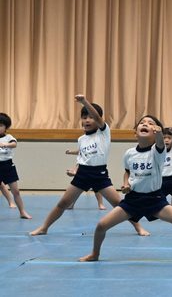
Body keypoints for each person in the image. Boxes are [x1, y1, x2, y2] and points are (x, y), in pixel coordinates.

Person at [79, 115, 172, 264]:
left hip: (155, 200)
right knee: (101, 226)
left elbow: (161, 144)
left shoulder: (157, 151)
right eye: (142, 123)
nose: (146, 124)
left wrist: (160, 133)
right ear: (135, 132)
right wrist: (126, 184)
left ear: (156, 132)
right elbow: (128, 172)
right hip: (133, 201)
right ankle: (95, 254)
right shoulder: (129, 153)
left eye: (151, 124)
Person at [30, 95, 148, 236]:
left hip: (99, 175)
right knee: (63, 203)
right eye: (84, 117)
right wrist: (75, 169)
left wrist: (84, 102)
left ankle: (138, 227)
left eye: (90, 117)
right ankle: (44, 227)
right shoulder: (81, 139)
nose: (87, 120)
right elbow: (82, 158)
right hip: (83, 174)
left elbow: (98, 119)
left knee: (119, 203)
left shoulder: (104, 133)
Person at [0, 112, 31, 219]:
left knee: (16, 191)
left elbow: (14, 144)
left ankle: (22, 212)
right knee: (2, 187)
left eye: (0, 125)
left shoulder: (9, 137)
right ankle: (10, 202)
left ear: (6, 127)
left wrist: (5, 144)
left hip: (8, 166)